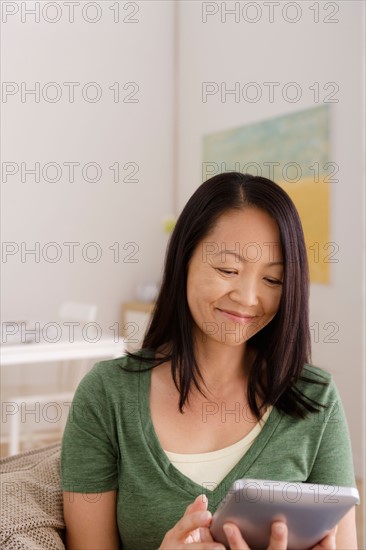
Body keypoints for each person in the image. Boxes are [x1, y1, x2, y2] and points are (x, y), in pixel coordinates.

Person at [61, 172, 358, 550]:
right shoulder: (106, 394)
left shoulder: (316, 400)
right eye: (227, 270)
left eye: (273, 280)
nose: (249, 297)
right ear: (184, 259)